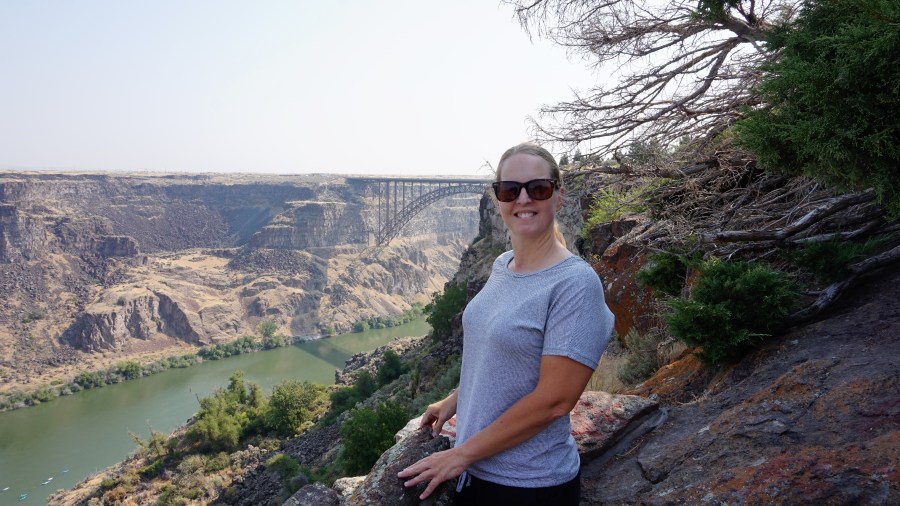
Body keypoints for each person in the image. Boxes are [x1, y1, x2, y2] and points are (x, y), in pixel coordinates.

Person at [397, 142, 615, 505]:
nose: (523, 199)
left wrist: (460, 455)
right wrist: (455, 400)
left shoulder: (575, 284)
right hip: (476, 471)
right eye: (510, 190)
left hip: (528, 486)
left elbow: (554, 401)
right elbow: (497, 357)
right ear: (498, 199)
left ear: (559, 197)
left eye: (538, 188)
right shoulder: (503, 265)